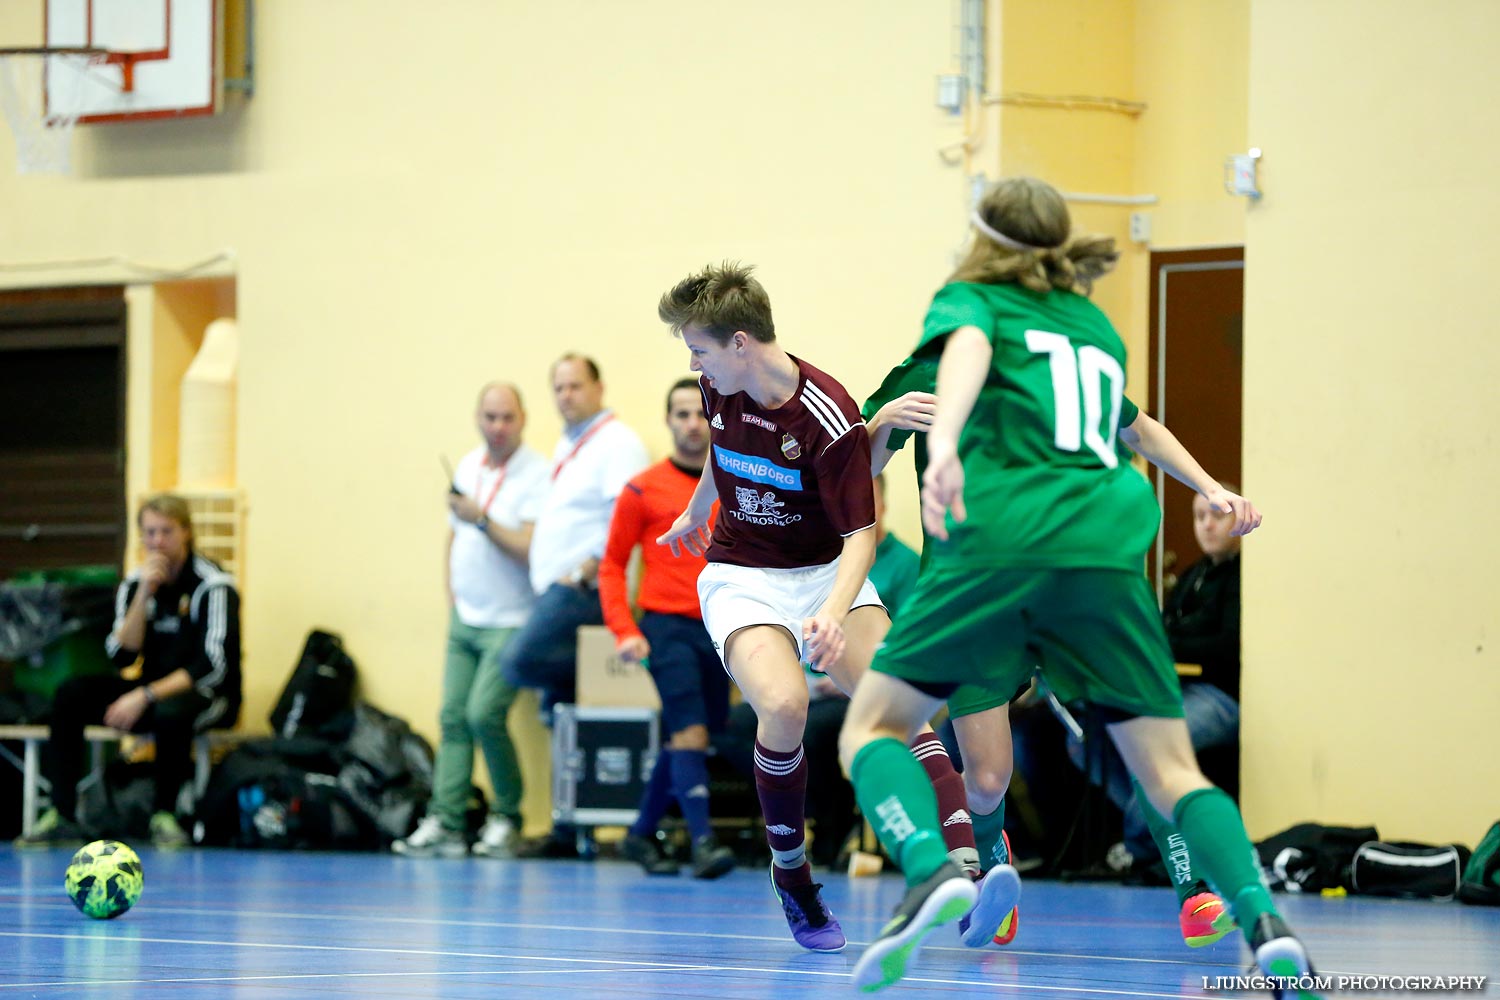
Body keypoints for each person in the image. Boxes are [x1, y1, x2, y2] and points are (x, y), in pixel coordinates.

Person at [839, 176, 1316, 996]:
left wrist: (945, 440)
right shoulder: (1093, 324)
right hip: (1104, 553)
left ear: (982, 236)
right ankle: (1264, 921)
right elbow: (1130, 426)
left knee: (870, 729)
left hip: (999, 550)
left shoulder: (971, 303)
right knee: (1172, 770)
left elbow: (972, 351)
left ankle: (928, 866)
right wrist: (1208, 487)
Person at [654, 262, 978, 954]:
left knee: (902, 702)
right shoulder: (719, 384)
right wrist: (695, 510)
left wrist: (831, 612)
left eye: (699, 348)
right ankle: (792, 873)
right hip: (742, 574)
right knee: (785, 704)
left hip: (828, 569)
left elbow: (862, 533)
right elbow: (721, 453)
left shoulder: (828, 415)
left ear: (741, 342)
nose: (692, 362)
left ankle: (966, 867)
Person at [865, 361, 1234, 951]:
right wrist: (881, 421)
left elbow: (1139, 430)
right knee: (986, 782)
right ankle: (990, 859)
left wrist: (1209, 487)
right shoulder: (924, 371)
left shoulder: (1059, 362)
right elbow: (853, 472)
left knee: (1140, 743)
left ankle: (1193, 893)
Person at [714, 472, 921, 870]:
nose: (853, 505)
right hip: (806, 681)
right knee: (740, 724)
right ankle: (794, 829)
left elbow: (907, 643)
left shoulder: (903, 565)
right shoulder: (819, 557)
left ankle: (836, 823)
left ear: (884, 505)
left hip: (857, 688)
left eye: (864, 498)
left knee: (817, 725)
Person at [17, 494, 241, 850]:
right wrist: (143, 597)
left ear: (186, 533)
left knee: (172, 710)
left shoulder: (213, 586)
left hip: (205, 697)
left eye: (166, 531)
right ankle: (62, 814)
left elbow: (212, 667)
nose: (157, 541)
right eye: (149, 533)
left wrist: (144, 695)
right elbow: (121, 656)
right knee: (70, 694)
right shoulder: (136, 583)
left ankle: (164, 815)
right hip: (147, 688)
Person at [393, 382, 550, 859]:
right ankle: (447, 821)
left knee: (485, 714)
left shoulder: (537, 474)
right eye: (489, 417)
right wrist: (452, 595)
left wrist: (482, 518)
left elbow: (530, 549)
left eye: (506, 418)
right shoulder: (469, 465)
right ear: (477, 419)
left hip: (511, 619)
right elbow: (454, 537)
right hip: (467, 617)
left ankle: (507, 818)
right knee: (453, 718)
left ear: (522, 419)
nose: (497, 427)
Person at [502, 353, 649, 855]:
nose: (566, 396)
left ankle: (589, 675)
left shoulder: (617, 442)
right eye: (558, 388)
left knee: (519, 662)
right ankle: (569, 829)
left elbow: (620, 517)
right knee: (561, 713)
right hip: (557, 589)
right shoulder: (570, 444)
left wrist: (587, 570)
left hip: (583, 591)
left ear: (599, 387)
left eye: (575, 386)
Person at [599, 378, 736, 879]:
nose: (692, 423)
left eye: (700, 413)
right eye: (681, 414)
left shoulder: (732, 480)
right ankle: (703, 844)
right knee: (692, 732)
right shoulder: (641, 489)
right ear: (668, 421)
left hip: (721, 628)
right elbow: (612, 565)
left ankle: (638, 835)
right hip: (665, 627)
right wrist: (624, 630)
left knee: (697, 737)